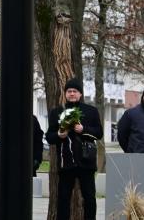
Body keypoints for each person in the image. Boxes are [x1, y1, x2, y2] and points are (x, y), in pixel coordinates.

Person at [45, 78, 103, 220]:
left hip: (86, 162)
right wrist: (59, 134)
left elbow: (99, 133)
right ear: (65, 94)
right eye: (69, 91)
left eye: (75, 91)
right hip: (66, 163)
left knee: (89, 198)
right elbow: (49, 137)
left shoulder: (91, 111)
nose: (72, 94)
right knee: (63, 199)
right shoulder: (57, 112)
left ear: (80, 94)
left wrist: (84, 129)